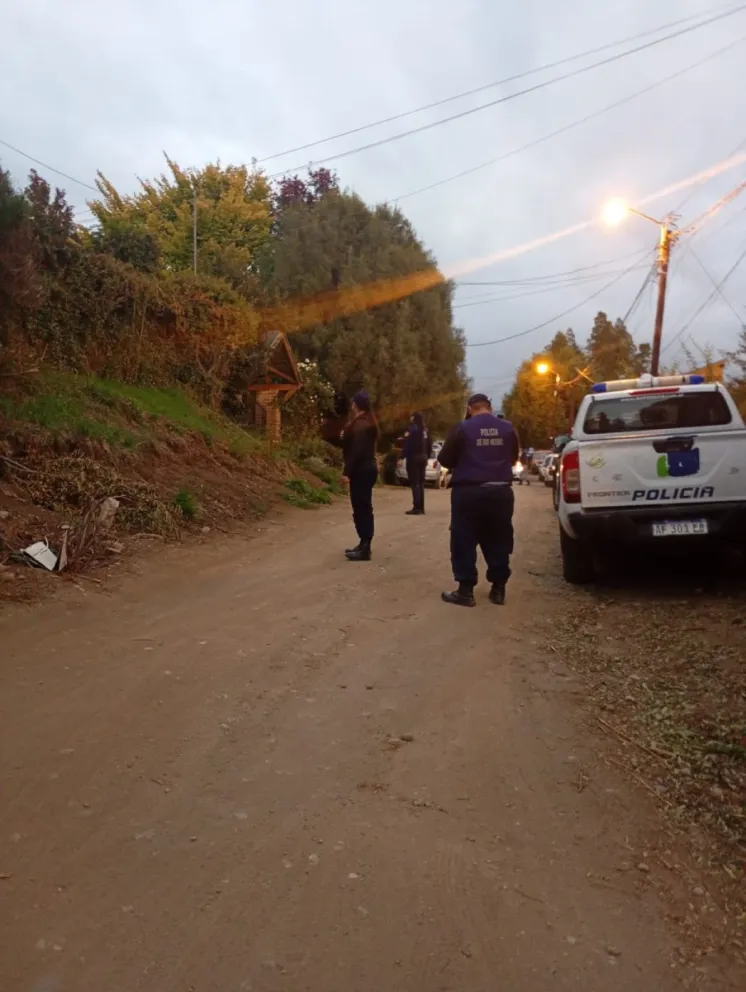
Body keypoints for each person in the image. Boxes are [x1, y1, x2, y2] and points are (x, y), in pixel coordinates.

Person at [437, 393, 520, 607]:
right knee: (499, 539)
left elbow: (444, 458)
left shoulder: (463, 428)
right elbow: (513, 458)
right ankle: (498, 589)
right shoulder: (507, 428)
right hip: (500, 492)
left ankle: (465, 591)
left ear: (470, 408)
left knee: (464, 538)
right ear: (489, 407)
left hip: (469, 492)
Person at [339, 391, 379, 562]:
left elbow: (357, 450)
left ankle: (365, 546)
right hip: (366, 468)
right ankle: (363, 544)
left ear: (356, 405)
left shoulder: (362, 424)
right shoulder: (366, 422)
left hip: (361, 470)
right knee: (363, 507)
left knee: (361, 508)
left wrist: (347, 472)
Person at [402, 411, 431, 515]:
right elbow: (429, 444)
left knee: (415, 483)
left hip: (414, 458)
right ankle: (421, 507)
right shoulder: (425, 430)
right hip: (423, 457)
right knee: (421, 482)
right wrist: (427, 456)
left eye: (411, 417)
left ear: (414, 418)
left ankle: (416, 507)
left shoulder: (412, 428)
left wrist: (402, 456)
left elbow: (407, 443)